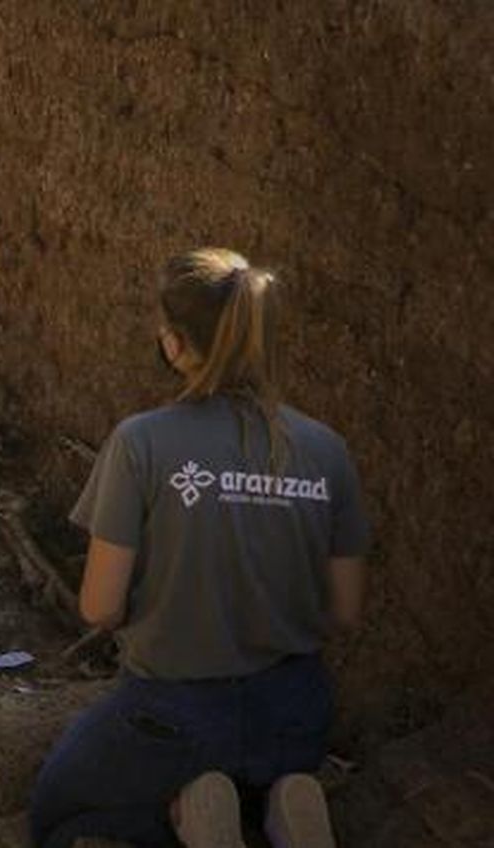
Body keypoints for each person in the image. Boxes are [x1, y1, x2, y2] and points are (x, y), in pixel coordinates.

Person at [29, 248, 369, 848]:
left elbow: (100, 607)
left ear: (176, 343)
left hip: (173, 714)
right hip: (295, 714)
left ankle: (184, 815)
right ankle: (283, 802)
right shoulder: (327, 450)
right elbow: (344, 610)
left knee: (56, 813)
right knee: (258, 764)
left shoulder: (141, 443)